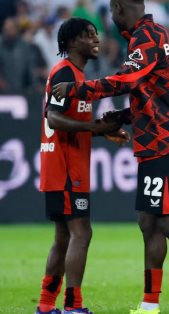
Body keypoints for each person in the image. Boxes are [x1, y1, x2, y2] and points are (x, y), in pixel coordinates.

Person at [52, 0, 169, 314]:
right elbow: (153, 93)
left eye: (111, 15)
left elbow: (127, 80)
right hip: (157, 142)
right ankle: (149, 303)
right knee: (149, 220)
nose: (110, 24)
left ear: (118, 9)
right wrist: (121, 116)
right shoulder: (150, 36)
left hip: (168, 143)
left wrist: (76, 90)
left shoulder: (147, 37)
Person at [36, 17, 129, 314]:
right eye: (89, 35)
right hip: (64, 167)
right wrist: (94, 128)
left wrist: (104, 130)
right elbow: (53, 118)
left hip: (64, 165)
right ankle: (73, 306)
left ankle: (46, 305)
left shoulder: (74, 74)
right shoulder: (65, 73)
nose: (96, 39)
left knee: (64, 236)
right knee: (81, 233)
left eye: (95, 34)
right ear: (73, 41)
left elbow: (74, 121)